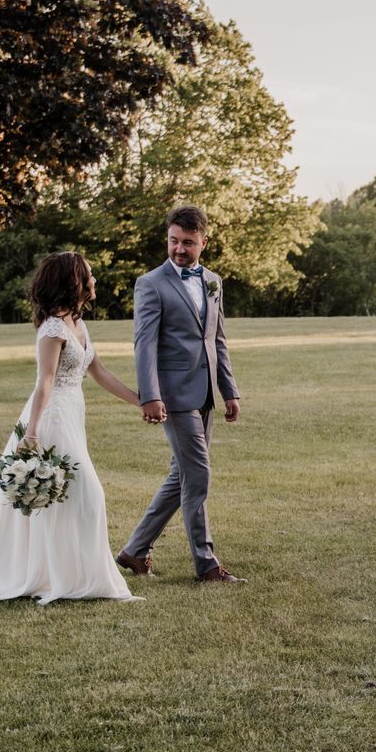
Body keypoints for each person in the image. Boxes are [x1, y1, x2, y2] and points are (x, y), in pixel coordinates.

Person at [0, 252, 141, 605]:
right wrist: (31, 433)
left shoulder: (78, 324)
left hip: (73, 415)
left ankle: (62, 576)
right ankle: (78, 579)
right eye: (89, 275)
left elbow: (100, 373)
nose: (95, 281)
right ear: (74, 281)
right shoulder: (52, 328)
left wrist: (141, 401)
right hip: (51, 418)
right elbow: (44, 382)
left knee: (67, 499)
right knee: (89, 495)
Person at [117, 205, 246, 583]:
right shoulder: (151, 283)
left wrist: (229, 390)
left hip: (204, 393)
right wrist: (149, 395)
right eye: (174, 241)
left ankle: (135, 551)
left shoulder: (213, 281)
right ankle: (206, 565)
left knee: (182, 476)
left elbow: (217, 339)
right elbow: (144, 344)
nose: (179, 249)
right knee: (199, 475)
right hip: (172, 395)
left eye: (188, 243)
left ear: (204, 242)